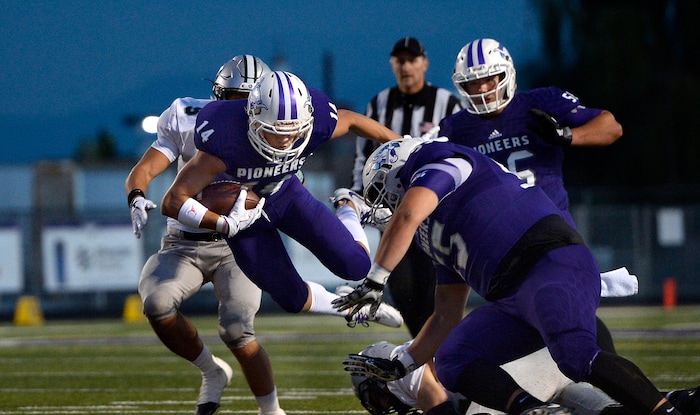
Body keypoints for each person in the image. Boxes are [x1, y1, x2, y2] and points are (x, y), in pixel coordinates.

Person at [336, 137, 700, 415]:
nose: (386, 202)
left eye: (384, 189)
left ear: (400, 170)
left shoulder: (446, 162)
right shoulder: (435, 232)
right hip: (512, 297)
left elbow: (406, 216)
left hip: (548, 261)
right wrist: (404, 363)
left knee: (575, 355)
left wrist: (374, 281)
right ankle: (533, 411)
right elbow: (447, 313)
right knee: (453, 358)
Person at [160, 71, 404, 344]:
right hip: (244, 214)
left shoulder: (318, 119)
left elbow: (352, 121)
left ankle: (350, 206)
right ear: (252, 120)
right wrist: (223, 223)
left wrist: (405, 145)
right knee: (291, 298)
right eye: (275, 133)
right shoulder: (225, 137)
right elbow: (172, 201)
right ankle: (347, 306)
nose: (287, 141)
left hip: (286, 195)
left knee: (356, 266)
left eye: (294, 131)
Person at [125, 55, 300, 415]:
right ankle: (211, 370)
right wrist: (136, 194)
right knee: (156, 304)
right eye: (233, 97)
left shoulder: (280, 128)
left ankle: (272, 413)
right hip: (184, 240)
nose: (240, 108)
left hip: (239, 242)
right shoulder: (186, 116)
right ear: (216, 95)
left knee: (237, 328)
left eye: (249, 99)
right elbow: (148, 166)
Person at [438, 38, 624, 352]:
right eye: (472, 83)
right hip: (499, 244)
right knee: (530, 328)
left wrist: (568, 135)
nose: (482, 89)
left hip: (551, 234)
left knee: (563, 319)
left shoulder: (541, 103)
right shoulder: (455, 128)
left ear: (505, 75)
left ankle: (606, 380)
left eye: (488, 79)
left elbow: (611, 126)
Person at [338, 36, 462, 338]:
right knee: (404, 290)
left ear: (424, 63)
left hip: (435, 214)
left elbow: (461, 155)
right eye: (400, 60)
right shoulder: (379, 104)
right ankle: (426, 359)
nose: (406, 66)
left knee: (436, 291)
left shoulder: (448, 103)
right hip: (390, 212)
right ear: (394, 65)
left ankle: (437, 360)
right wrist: (358, 194)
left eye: (412, 59)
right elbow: (363, 158)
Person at [350, 340, 700, 415]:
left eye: (375, 394)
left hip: (524, 373)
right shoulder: (410, 362)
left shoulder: (405, 367)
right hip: (539, 369)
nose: (379, 404)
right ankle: (691, 400)